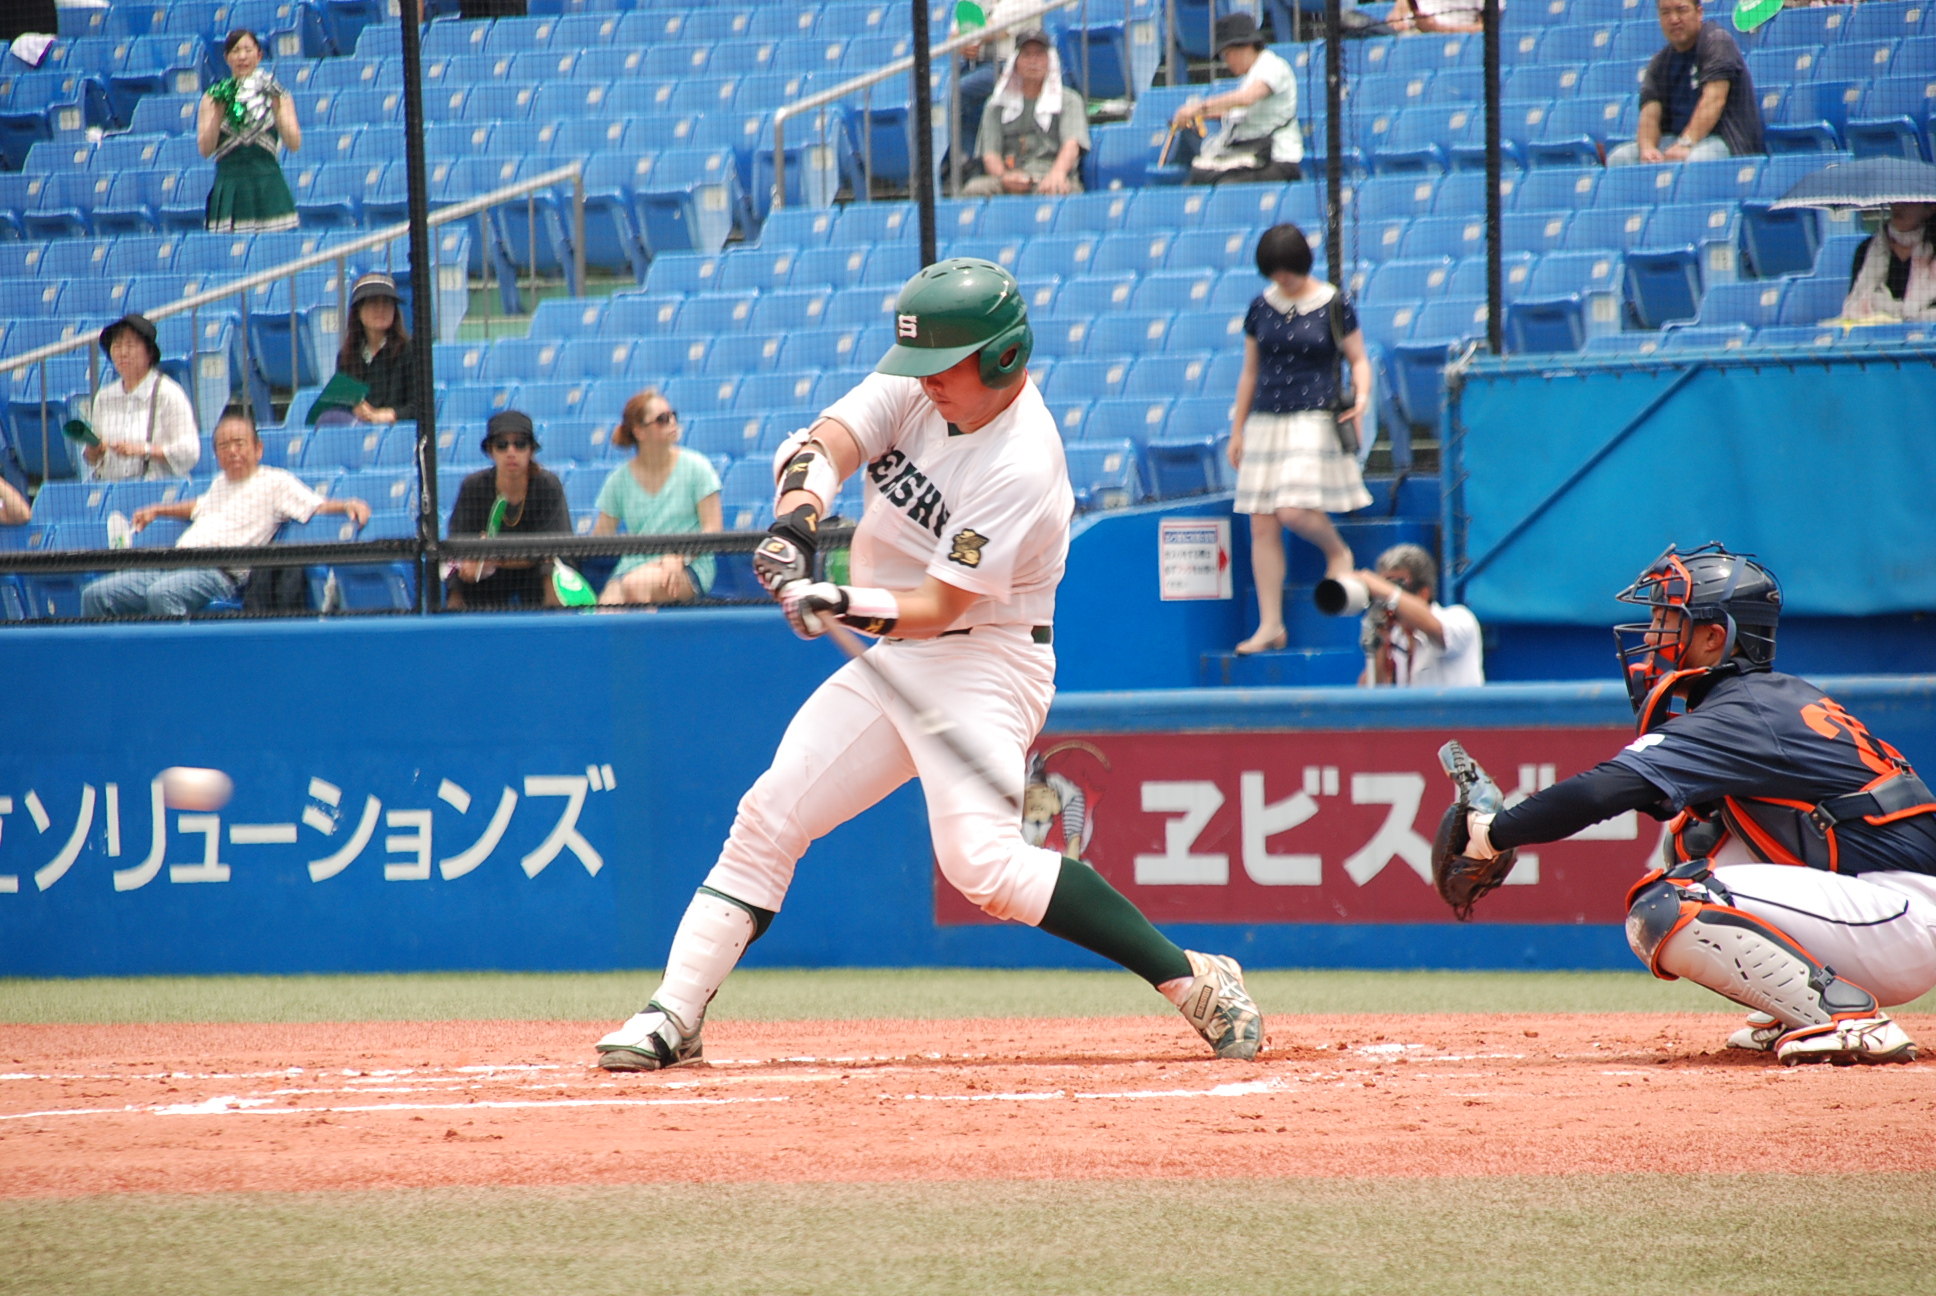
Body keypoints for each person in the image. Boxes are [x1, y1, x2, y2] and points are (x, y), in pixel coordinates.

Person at [592, 259, 1265, 1072]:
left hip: (988, 659)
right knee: (770, 813)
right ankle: (675, 1011)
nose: (925, 380)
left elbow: (942, 604)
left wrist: (836, 599)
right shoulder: (920, 381)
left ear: (1003, 358)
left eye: (944, 365)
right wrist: (796, 526)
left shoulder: (1024, 461)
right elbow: (829, 442)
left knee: (983, 864)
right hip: (898, 652)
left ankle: (1194, 979)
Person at [1442, 543, 1935, 1065]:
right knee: (1697, 839)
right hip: (1891, 909)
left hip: (1901, 918)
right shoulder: (1767, 697)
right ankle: (1803, 1003)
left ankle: (1846, 1017)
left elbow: (1601, 791)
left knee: (1666, 906)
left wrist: (1490, 833)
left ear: (1714, 637)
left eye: (1667, 620)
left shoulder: (1744, 710)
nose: (1653, 635)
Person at [1228, 224, 1372, 656]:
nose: (1281, 279)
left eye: (1287, 270)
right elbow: (1250, 371)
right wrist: (1237, 429)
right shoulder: (1260, 306)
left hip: (1313, 415)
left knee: (1291, 509)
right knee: (1261, 522)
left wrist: (1361, 400)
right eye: (1273, 272)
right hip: (1265, 420)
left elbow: (1358, 359)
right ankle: (1270, 625)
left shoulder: (1333, 303)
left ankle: (1337, 551)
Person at [79, 413, 370, 618]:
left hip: (218, 573)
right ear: (216, 455)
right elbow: (197, 506)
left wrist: (347, 504)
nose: (232, 451)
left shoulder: (275, 481)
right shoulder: (220, 483)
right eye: (223, 446)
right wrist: (159, 510)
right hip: (172, 565)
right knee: (95, 595)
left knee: (162, 595)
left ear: (258, 448)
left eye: (239, 443)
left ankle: (177, 673)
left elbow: (315, 505)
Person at [592, 390, 723, 606]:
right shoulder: (618, 480)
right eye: (662, 419)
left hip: (689, 566)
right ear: (640, 432)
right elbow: (600, 539)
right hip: (632, 566)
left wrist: (680, 557)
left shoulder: (697, 468)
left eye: (673, 415)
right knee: (605, 608)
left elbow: (713, 529)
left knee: (636, 586)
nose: (672, 422)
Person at [1606, 0, 1763, 167]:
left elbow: (1714, 100)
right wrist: (1648, 149)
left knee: (1696, 161)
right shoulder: (1660, 62)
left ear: (1699, 13)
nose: (1674, 19)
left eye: (1681, 10)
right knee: (1620, 158)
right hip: (1676, 140)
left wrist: (1686, 143)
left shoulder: (1717, 42)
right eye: (1665, 13)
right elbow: (1650, 115)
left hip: (1726, 142)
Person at [444, 410, 572, 610]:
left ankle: (555, 623)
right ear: (491, 451)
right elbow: (458, 543)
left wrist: (495, 558)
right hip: (487, 577)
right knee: (457, 577)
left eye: (520, 444)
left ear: (531, 450)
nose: (511, 452)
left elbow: (556, 547)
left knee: (550, 568)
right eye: (502, 445)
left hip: (533, 571)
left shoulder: (548, 485)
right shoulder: (473, 487)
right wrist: (470, 564)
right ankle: (454, 625)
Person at [1173, 13, 1304, 185]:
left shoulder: (1272, 66)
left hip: (1278, 159)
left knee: (1226, 186)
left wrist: (1197, 108)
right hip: (1253, 153)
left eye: (1227, 54)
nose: (1226, 62)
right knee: (1198, 177)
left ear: (1247, 45)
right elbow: (1235, 110)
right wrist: (1197, 116)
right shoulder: (1249, 76)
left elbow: (1247, 98)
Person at [961, 29, 1088, 198]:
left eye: (1039, 55)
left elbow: (1071, 145)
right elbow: (990, 154)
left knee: (1054, 190)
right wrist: (1004, 177)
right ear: (1015, 62)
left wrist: (1057, 174)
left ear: (1050, 60)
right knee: (974, 189)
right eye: (1026, 55)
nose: (1033, 61)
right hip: (1011, 175)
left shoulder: (1069, 100)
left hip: (1050, 174)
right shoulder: (996, 105)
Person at [198, 30, 301, 232]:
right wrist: (218, 113)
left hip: (270, 191)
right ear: (227, 58)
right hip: (230, 193)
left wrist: (277, 108)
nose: (242, 57)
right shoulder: (212, 98)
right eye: (236, 51)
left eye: (248, 50)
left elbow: (294, 143)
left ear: (259, 55)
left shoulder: (279, 94)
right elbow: (205, 150)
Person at [82, 314, 199, 482]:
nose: (123, 352)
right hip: (113, 489)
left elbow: (189, 452)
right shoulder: (104, 397)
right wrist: (94, 451)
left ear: (149, 352)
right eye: (117, 345)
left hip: (157, 488)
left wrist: (144, 450)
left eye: (130, 345)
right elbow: (93, 460)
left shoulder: (169, 394)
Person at [1352, 542, 1484, 687]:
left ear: (1423, 593)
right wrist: (1381, 642)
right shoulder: (1396, 636)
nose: (1386, 599)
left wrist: (1386, 591)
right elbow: (1368, 691)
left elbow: (1436, 629)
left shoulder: (1459, 618)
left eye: (1397, 585)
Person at [334, 273, 417, 425]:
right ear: (358, 311)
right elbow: (341, 407)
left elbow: (420, 406)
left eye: (387, 302)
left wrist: (388, 415)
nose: (381, 309)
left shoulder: (410, 351)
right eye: (373, 302)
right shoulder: (346, 357)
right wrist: (356, 411)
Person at [1843, 202, 1936, 322]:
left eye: (1908, 202)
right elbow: (1854, 303)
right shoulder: (1865, 249)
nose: (1897, 206)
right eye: (1894, 201)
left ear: (1931, 208)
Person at [1387, 0, 1490, 34]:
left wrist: (1436, 28)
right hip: (1404, 31)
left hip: (1443, 38)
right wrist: (1397, 19)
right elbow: (1397, 13)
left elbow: (1487, 28)